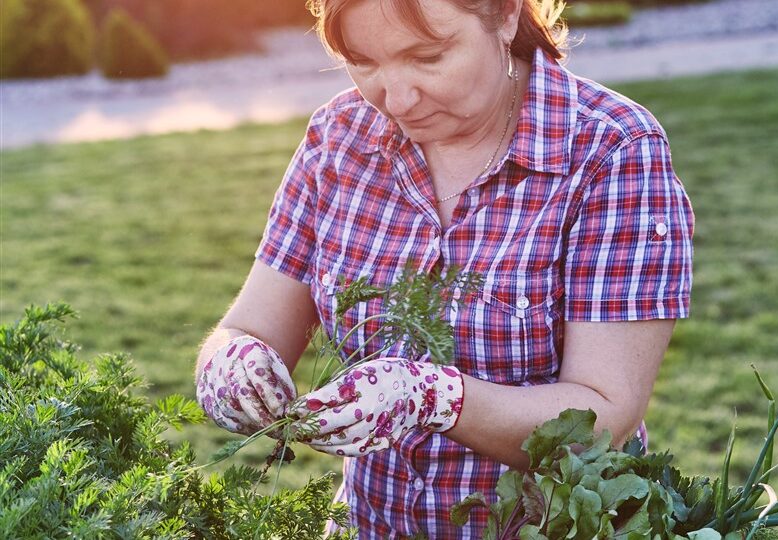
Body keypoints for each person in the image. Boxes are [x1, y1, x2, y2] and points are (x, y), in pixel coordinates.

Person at [194, 0, 694, 536]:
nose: (397, 98)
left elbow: (602, 421)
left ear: (505, 16)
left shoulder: (612, 151)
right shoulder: (339, 138)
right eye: (363, 62)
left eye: (428, 57)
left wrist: (431, 397)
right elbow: (249, 326)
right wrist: (232, 364)